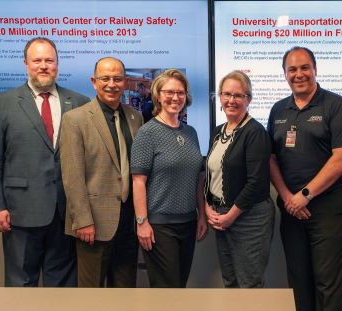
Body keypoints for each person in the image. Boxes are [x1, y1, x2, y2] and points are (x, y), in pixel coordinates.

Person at [0, 37, 89, 287]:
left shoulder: (80, 103)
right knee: (21, 284)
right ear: (26, 64)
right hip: (20, 212)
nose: (43, 65)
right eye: (37, 60)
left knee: (62, 285)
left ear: (57, 65)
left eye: (49, 60)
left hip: (66, 213)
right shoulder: (1, 104)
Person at [267, 46, 342, 311]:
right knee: (298, 282)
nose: (299, 74)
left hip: (327, 209)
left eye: (305, 67)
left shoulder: (336, 106)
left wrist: (304, 196)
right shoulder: (278, 109)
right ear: (284, 74)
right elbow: (271, 159)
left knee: (328, 284)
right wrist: (287, 198)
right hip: (292, 211)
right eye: (292, 69)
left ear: (315, 69)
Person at [60, 57, 143, 287]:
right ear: (94, 82)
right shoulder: (75, 119)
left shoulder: (135, 117)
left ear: (125, 82)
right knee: (92, 296)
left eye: (117, 78)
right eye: (105, 78)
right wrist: (83, 220)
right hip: (94, 225)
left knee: (125, 292)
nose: (111, 84)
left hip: (128, 222)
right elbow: (72, 176)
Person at [130, 69, 207, 288]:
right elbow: (138, 182)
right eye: (169, 92)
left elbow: (198, 178)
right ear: (158, 95)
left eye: (180, 93)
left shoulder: (190, 132)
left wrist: (201, 215)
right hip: (159, 227)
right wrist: (142, 223)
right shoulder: (148, 133)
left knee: (180, 286)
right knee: (167, 290)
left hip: (188, 223)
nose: (175, 97)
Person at [205, 70, 274, 288]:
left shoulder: (255, 132)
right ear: (219, 97)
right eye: (226, 94)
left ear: (248, 99)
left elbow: (256, 182)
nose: (231, 100)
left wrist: (230, 216)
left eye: (238, 95)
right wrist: (208, 207)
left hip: (249, 218)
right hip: (222, 216)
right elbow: (210, 173)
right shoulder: (218, 131)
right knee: (231, 281)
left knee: (249, 284)